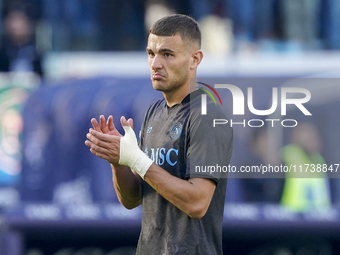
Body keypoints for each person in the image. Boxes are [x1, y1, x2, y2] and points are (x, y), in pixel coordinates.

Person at [85, 14, 233, 254]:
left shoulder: (206, 117)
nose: (155, 64)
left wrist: (136, 159)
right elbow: (132, 200)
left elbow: (197, 203)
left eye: (167, 54)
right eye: (151, 54)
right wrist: (120, 161)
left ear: (195, 59)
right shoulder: (154, 112)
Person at [0, 8, 44, 77]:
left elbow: (41, 77)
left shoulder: (35, 51)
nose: (16, 27)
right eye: (13, 22)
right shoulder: (3, 52)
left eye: (20, 22)